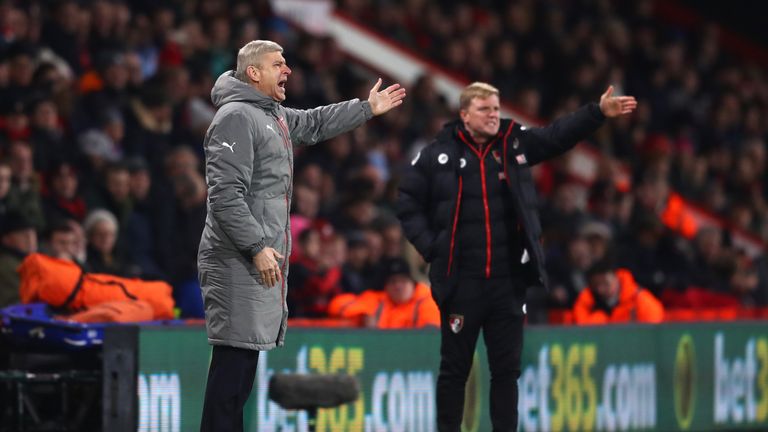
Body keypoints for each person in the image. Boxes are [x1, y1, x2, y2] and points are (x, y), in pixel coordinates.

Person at [397, 81, 636, 431]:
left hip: (507, 283)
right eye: (485, 109)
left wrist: (596, 112)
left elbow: (557, 136)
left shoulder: (513, 143)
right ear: (464, 114)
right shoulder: (437, 155)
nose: (494, 115)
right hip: (461, 282)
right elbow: (406, 203)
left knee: (506, 372)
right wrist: (433, 247)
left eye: (496, 108)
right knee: (454, 371)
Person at [197, 39, 405, 432]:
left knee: (239, 374)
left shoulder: (268, 113)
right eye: (278, 64)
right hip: (235, 259)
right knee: (232, 372)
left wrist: (365, 109)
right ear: (254, 72)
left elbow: (312, 123)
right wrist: (257, 246)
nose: (288, 70)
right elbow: (225, 195)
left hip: (252, 259)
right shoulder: (236, 117)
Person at [328, 257, 440, 329]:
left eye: (403, 281)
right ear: (386, 285)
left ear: (412, 283)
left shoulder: (426, 299)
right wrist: (362, 314)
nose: (398, 286)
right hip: (382, 357)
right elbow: (336, 305)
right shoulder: (378, 300)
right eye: (393, 282)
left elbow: (430, 335)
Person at [572, 259, 664, 324]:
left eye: (605, 283)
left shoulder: (639, 299)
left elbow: (653, 330)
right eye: (596, 285)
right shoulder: (587, 300)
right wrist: (600, 317)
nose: (600, 289)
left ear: (616, 278)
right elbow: (582, 331)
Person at [0, 211, 38, 307]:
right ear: (7, 239)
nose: (30, 240)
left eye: (32, 234)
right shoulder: (6, 265)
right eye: (24, 235)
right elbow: (15, 302)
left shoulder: (30, 261)